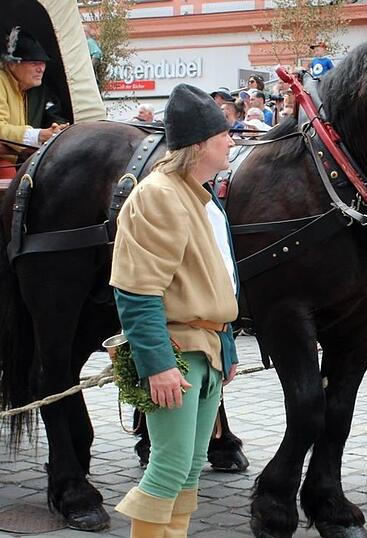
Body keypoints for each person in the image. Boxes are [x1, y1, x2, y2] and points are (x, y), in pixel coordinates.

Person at [111, 83, 239, 535]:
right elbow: (137, 291)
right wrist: (157, 364)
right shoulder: (159, 195)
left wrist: (227, 348)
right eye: (224, 133)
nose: (232, 139)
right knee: (168, 468)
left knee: (188, 469)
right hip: (177, 353)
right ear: (200, 144)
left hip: (204, 350)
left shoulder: (199, 195)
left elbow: (216, 280)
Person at [0, 26, 67, 178]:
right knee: (6, 171)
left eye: (43, 63)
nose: (41, 69)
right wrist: (38, 135)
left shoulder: (23, 85)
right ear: (12, 64)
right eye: (34, 63)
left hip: (12, 155)